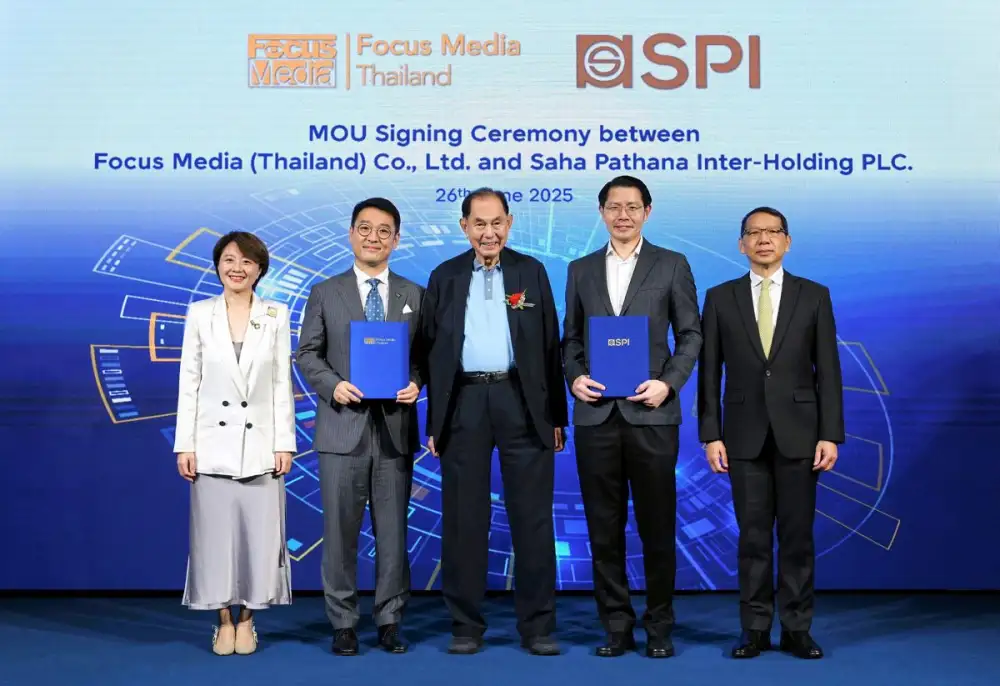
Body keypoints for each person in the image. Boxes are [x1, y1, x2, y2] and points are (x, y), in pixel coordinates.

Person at [420, 188, 568, 656]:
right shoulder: (444, 276)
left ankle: (538, 626)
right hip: (464, 401)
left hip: (520, 400)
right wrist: (435, 421)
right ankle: (466, 624)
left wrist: (556, 415)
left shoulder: (531, 271)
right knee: (464, 518)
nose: (489, 232)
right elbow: (431, 351)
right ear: (464, 226)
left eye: (497, 222)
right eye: (479, 224)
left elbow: (550, 345)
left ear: (510, 223)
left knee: (532, 517)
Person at [561, 175, 702, 658]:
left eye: (632, 207)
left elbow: (691, 334)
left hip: (652, 414)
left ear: (647, 211)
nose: (623, 215)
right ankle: (616, 626)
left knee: (657, 527)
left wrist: (669, 383)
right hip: (596, 415)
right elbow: (570, 339)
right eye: (614, 207)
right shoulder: (580, 269)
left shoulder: (672, 264)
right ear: (601, 212)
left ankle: (659, 626)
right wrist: (574, 376)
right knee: (604, 529)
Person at [697, 206, 844, 660]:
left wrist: (830, 434)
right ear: (741, 244)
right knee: (753, 538)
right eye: (754, 233)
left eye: (773, 232)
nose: (764, 239)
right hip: (742, 436)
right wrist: (711, 434)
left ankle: (797, 628)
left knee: (797, 538)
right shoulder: (719, 298)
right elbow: (709, 373)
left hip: (801, 435)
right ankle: (755, 628)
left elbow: (828, 371)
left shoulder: (813, 295)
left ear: (787, 241)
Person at [296, 197, 423, 656]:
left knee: (393, 533)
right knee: (339, 533)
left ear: (396, 240)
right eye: (365, 228)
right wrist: (334, 386)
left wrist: (416, 382)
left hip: (394, 430)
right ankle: (343, 622)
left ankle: (389, 619)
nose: (374, 237)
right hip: (341, 428)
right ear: (351, 234)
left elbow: (424, 356)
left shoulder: (415, 294)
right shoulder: (325, 292)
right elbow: (307, 353)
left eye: (384, 230)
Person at [174, 231, 297, 656]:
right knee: (215, 541)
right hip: (211, 445)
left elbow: (281, 382)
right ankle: (223, 620)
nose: (237, 268)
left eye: (246, 261)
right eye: (229, 260)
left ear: (259, 269)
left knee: (258, 541)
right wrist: (185, 444)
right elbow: (189, 381)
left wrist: (284, 442)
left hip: (261, 445)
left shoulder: (276, 314)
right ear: (217, 266)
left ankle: (248, 619)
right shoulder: (199, 313)